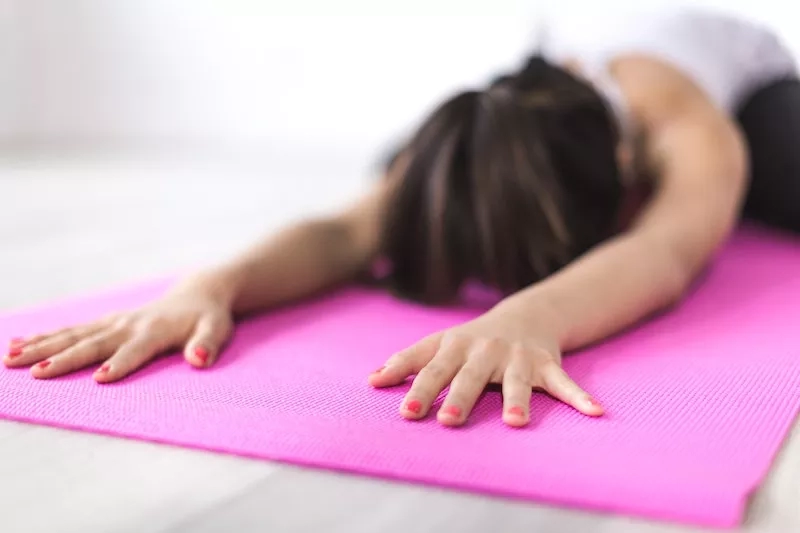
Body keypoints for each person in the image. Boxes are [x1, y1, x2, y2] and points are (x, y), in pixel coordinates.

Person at [5, 8, 800, 428]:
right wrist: (210, 286)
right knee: (413, 167)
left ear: (627, 182)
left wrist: (530, 315)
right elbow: (348, 231)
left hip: (758, 90)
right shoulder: (503, 120)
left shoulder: (691, 131)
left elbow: (666, 249)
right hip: (542, 95)